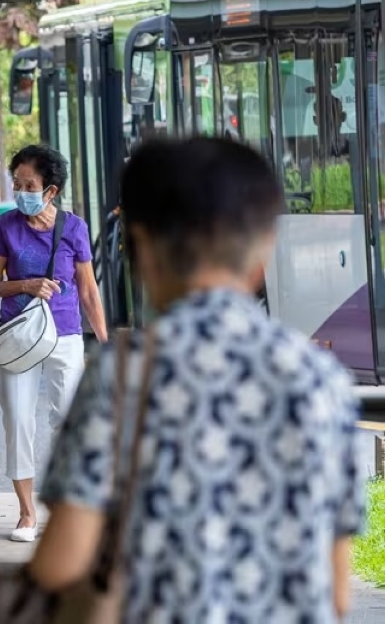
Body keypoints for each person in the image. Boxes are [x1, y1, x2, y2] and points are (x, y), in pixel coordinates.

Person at [27, 137, 363, 620]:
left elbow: (61, 563)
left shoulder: (123, 373)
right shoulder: (324, 380)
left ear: (141, 250)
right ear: (266, 250)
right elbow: (337, 592)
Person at [0, 144, 108, 543]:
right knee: (19, 421)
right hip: (18, 336)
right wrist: (25, 285)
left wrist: (103, 345)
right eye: (16, 183)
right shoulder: (5, 227)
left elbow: (88, 290)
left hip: (65, 333)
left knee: (68, 421)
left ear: (51, 190)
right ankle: (25, 514)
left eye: (29, 185)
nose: (21, 191)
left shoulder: (74, 228)